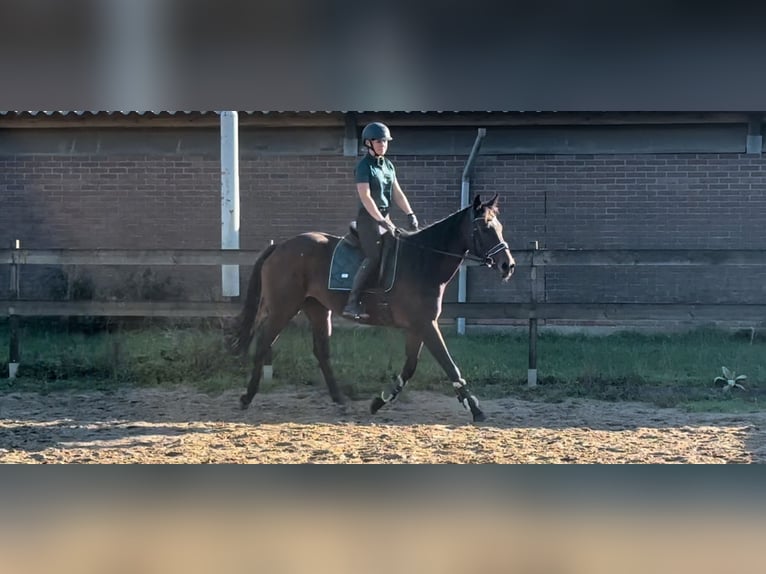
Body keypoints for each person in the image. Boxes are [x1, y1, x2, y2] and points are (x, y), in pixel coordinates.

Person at [342, 122, 419, 321]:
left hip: (384, 218)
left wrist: (410, 213)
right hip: (368, 219)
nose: (382, 144)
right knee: (373, 257)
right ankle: (352, 303)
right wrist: (379, 220)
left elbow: (397, 193)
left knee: (398, 249)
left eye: (385, 141)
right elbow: (366, 197)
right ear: (368, 143)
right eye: (378, 141)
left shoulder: (388, 165)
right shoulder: (363, 166)